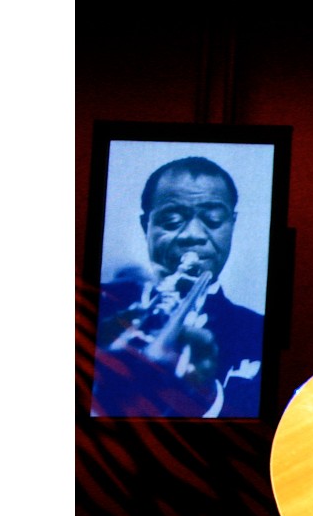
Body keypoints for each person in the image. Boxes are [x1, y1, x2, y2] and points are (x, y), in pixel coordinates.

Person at [91, 156, 263, 418]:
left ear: (232, 225)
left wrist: (205, 396)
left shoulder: (257, 331)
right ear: (144, 225)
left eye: (213, 220)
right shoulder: (96, 305)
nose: (193, 234)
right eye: (171, 221)